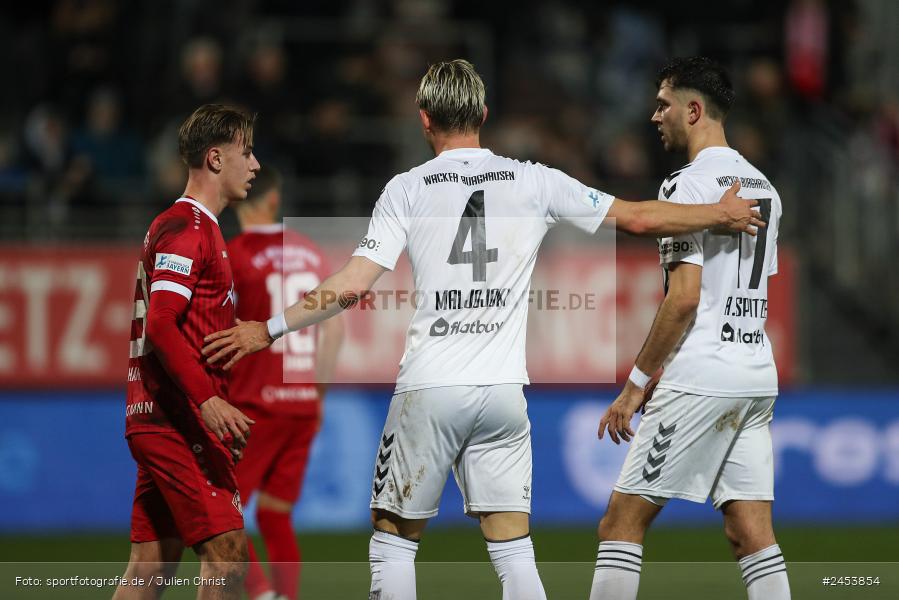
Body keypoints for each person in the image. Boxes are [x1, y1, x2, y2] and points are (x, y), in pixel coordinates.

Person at [201, 59, 763, 600]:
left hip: (430, 388)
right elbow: (640, 217)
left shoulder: (406, 189)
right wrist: (721, 213)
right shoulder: (533, 180)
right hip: (502, 395)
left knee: (393, 538)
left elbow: (352, 284)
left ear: (425, 118)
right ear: (484, 112)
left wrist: (268, 329)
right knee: (513, 547)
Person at [592, 57, 789, 600]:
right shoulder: (766, 187)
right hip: (754, 373)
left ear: (693, 109)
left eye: (663, 105)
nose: (655, 116)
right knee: (751, 533)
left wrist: (635, 386)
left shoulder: (686, 186)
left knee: (619, 523)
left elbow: (683, 300)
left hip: (702, 374)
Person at [114, 104, 259, 600]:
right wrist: (208, 400)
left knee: (148, 568)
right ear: (216, 159)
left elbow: (184, 321)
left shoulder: (198, 229)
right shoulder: (188, 228)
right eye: (247, 151)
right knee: (229, 557)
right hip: (177, 421)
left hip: (162, 415)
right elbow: (160, 323)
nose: (255, 164)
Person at [227, 166, 345, 600]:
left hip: (254, 405)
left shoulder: (233, 256)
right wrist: (317, 395)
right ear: (276, 200)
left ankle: (260, 593)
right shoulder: (311, 253)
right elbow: (334, 332)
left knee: (225, 510)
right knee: (276, 516)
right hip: (300, 403)